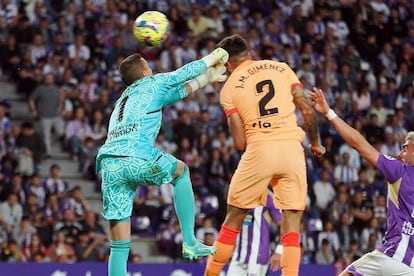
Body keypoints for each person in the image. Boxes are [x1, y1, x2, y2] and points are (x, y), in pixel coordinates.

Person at [96, 48, 229, 276]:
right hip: (135, 156)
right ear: (144, 72)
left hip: (109, 166)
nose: (152, 68)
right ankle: (189, 240)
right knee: (181, 172)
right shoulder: (152, 83)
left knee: (119, 247)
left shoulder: (123, 100)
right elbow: (182, 73)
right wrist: (211, 58)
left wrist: (206, 79)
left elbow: (175, 93)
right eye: (148, 65)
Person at [204, 34, 325, 276]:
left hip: (260, 150)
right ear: (247, 53)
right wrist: (315, 143)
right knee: (291, 222)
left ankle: (211, 274)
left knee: (234, 219)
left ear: (227, 63)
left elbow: (239, 143)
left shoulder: (228, 88)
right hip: (292, 150)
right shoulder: (281, 68)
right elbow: (305, 108)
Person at [309, 87, 414, 275]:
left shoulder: (400, 171)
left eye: (405, 148)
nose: (399, 154)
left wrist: (328, 112)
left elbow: (358, 143)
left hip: (391, 257)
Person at [227, 192, 283, 276]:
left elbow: (284, 226)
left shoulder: (268, 198)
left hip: (258, 257)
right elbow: (231, 225)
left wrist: (279, 251)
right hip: (238, 256)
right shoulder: (237, 194)